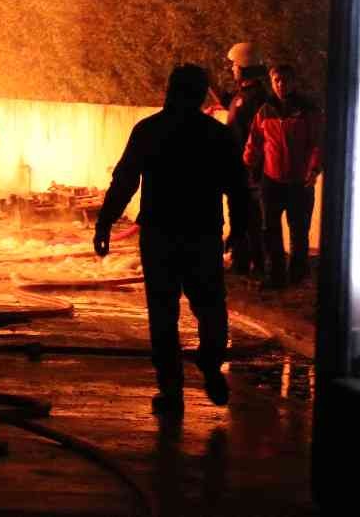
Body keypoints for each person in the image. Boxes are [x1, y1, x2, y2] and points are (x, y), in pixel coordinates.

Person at [94, 63, 250, 420]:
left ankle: (170, 388)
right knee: (210, 305)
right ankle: (211, 365)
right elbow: (239, 188)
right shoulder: (216, 134)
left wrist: (104, 223)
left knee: (163, 311)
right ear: (200, 94)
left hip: (159, 235)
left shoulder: (149, 130)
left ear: (169, 90)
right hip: (202, 233)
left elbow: (125, 180)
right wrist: (239, 230)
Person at [244, 62, 323, 289]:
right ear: (271, 82)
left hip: (300, 181)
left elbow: (317, 143)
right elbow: (255, 140)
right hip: (271, 179)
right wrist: (248, 163)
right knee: (270, 229)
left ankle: (297, 275)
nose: (280, 84)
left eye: (285, 80)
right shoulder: (265, 110)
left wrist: (314, 169)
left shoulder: (307, 110)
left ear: (294, 81)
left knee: (299, 231)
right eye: (276, 80)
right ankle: (275, 275)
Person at [220, 41, 270, 276]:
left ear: (244, 66)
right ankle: (241, 261)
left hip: (248, 168)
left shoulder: (256, 99)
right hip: (237, 167)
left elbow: (255, 136)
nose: (232, 69)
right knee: (240, 214)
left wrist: (252, 169)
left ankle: (256, 265)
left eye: (234, 65)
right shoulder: (244, 95)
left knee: (250, 217)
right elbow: (230, 103)